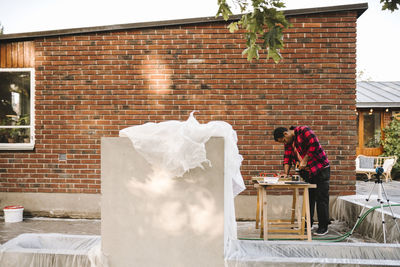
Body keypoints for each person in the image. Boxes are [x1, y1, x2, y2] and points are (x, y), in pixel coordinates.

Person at [273, 126, 330, 236]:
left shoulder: (304, 131)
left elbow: (314, 145)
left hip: (321, 169)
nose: (284, 143)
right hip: (308, 173)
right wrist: (285, 173)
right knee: (309, 198)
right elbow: (287, 157)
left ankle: (323, 227)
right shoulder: (289, 143)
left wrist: (304, 160)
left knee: (321, 199)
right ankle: (308, 225)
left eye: (284, 140)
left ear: (286, 134)